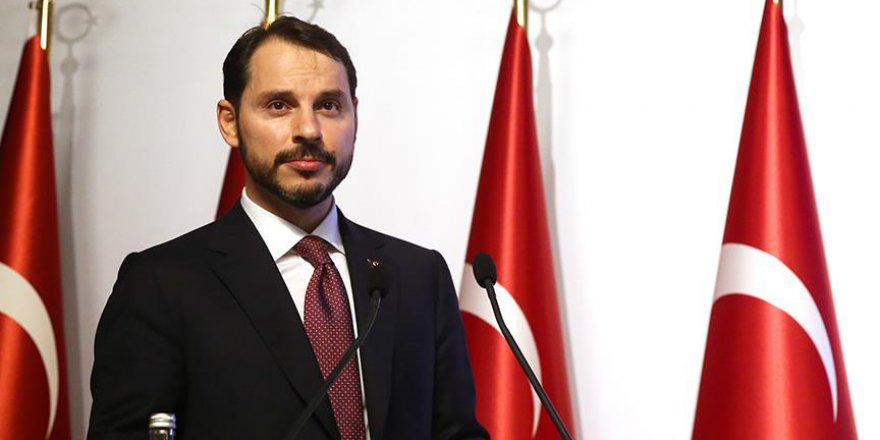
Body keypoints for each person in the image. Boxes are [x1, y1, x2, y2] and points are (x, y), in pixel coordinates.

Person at [88, 16, 488, 440]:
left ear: (355, 117)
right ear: (230, 122)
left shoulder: (416, 276)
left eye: (329, 105)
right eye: (279, 105)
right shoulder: (161, 284)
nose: (309, 130)